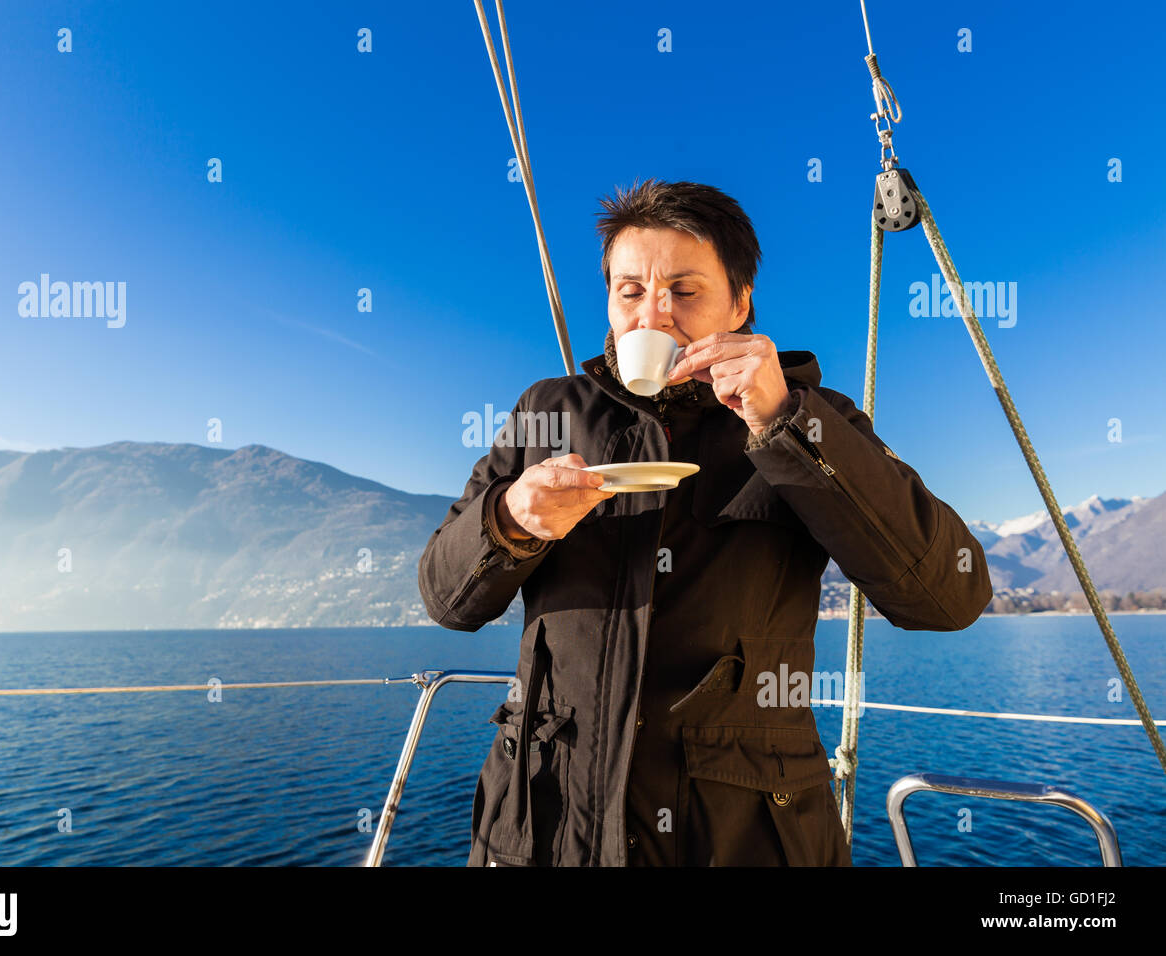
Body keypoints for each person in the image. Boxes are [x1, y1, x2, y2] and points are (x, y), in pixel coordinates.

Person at [418, 178, 992, 866]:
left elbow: (949, 597)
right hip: (546, 833)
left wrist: (784, 424)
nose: (652, 316)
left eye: (684, 292)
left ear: (741, 303)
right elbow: (444, 598)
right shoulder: (548, 412)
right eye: (630, 292)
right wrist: (509, 520)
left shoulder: (813, 415)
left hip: (738, 838)